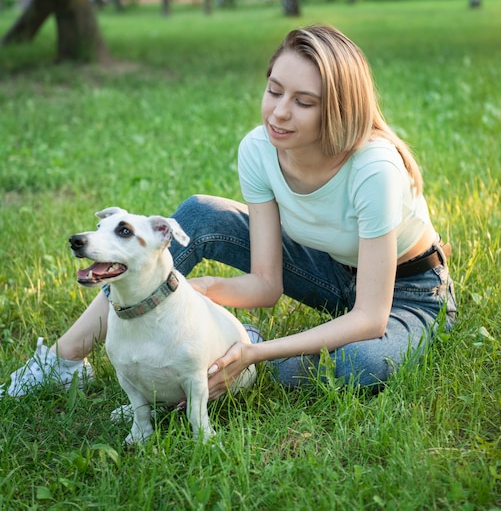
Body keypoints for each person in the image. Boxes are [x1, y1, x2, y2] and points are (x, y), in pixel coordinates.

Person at [2, 24, 456, 401]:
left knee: (358, 365)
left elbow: (370, 318)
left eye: (304, 102)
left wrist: (251, 355)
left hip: (407, 291)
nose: (278, 113)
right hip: (329, 268)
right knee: (199, 214)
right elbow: (265, 284)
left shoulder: (373, 167)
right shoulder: (260, 148)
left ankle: (246, 343)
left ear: (338, 108)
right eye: (274, 90)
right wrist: (189, 292)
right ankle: (63, 359)